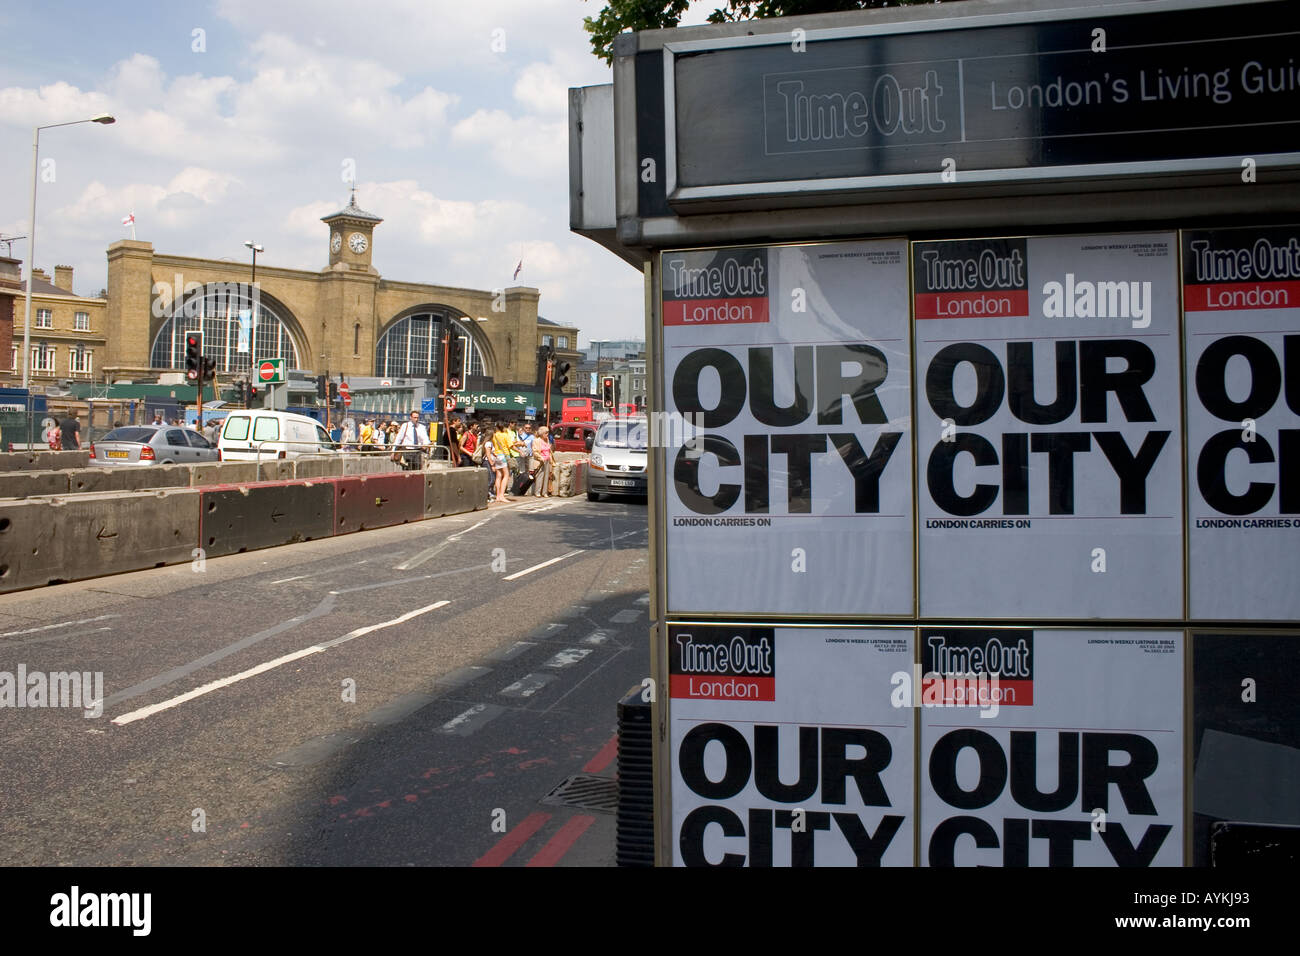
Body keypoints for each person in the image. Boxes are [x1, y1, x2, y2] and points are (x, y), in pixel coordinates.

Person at [531, 425, 553, 497]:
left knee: (546, 477)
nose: (547, 434)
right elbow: (535, 452)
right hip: (540, 461)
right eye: (546, 433)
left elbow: (549, 451)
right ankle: (537, 492)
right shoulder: (536, 440)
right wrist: (541, 458)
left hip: (547, 460)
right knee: (540, 476)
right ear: (541, 433)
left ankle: (544, 492)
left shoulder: (547, 440)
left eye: (548, 433)